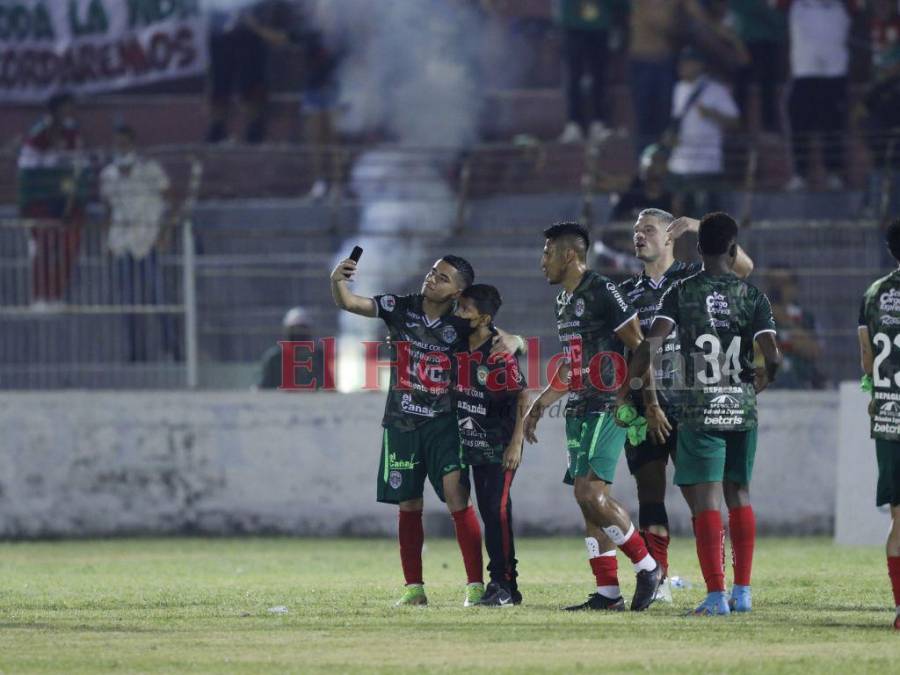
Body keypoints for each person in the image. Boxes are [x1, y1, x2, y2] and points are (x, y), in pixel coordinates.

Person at [330, 254, 523, 607]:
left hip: (445, 424)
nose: (433, 279)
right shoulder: (399, 306)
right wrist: (337, 280)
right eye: (434, 272)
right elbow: (350, 302)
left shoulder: (461, 320)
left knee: (457, 499)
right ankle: (414, 588)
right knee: (408, 503)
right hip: (402, 423)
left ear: (458, 292)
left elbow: (499, 334)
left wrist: (518, 340)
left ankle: (475, 586)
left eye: (444, 277)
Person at [625, 211, 781, 616]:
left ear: (694, 248)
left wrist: (634, 375)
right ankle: (742, 592)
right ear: (731, 248)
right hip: (740, 408)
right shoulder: (753, 296)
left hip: (696, 408)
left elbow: (649, 345)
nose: (639, 236)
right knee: (739, 495)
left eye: (648, 230)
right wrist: (757, 383)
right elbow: (774, 357)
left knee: (707, 501)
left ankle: (716, 595)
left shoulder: (683, 290)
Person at [523, 222, 664, 612]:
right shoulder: (562, 302)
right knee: (585, 501)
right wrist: (540, 403)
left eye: (547, 253)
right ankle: (607, 593)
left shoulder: (603, 291)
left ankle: (648, 566)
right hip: (580, 405)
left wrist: (645, 403)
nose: (542, 263)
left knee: (591, 493)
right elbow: (572, 366)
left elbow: (641, 348)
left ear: (570, 255)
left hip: (610, 400)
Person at [452, 284, 529, 606]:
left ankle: (503, 583)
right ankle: (505, 585)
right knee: (487, 511)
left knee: (495, 511)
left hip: (498, 444)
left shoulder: (497, 354)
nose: (458, 314)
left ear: (483, 318)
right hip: (468, 441)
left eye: (465, 309)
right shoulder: (456, 343)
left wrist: (516, 444)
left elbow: (523, 394)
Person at [99, 125, 174, 362]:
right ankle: (134, 353)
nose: (121, 147)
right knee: (127, 302)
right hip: (122, 244)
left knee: (159, 299)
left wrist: (165, 232)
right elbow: (109, 210)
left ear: (132, 143)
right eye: (117, 143)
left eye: (124, 142)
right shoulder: (108, 175)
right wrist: (107, 241)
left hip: (148, 240)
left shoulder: (150, 170)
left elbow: (168, 201)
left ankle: (173, 350)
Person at [858, 217, 900, 632]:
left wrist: (877, 397)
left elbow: (866, 359)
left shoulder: (874, 293)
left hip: (889, 419)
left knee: (899, 518)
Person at [17, 92, 87, 311]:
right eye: (66, 108)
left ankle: (57, 295)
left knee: (68, 247)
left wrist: (68, 197)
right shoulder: (37, 135)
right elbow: (27, 169)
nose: (70, 113)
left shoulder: (73, 134)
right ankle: (40, 296)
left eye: (71, 109)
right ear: (54, 110)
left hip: (64, 198)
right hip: (41, 200)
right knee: (44, 249)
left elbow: (77, 168)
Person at [779, 0, 859, 192]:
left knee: (833, 124)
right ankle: (800, 174)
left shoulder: (843, 6)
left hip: (835, 73)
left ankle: (834, 173)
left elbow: (858, 9)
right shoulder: (796, 5)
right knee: (799, 124)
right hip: (803, 73)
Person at [206, 0, 294, 144]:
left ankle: (255, 127)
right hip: (221, 32)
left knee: (252, 85)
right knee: (219, 84)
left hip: (251, 32)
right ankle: (217, 128)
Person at [667, 48, 740, 217]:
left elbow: (735, 121)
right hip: (680, 162)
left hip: (706, 163)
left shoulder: (716, 90)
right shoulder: (678, 88)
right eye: (681, 64)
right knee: (679, 213)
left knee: (705, 213)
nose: (682, 67)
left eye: (687, 63)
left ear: (699, 65)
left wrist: (711, 113)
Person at [555, 0, 628, 143]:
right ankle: (574, 122)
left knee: (599, 76)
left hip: (600, 25)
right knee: (573, 76)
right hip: (573, 24)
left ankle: (599, 122)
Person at [730, 0, 787, 133]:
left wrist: (765, 12)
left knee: (770, 87)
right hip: (745, 42)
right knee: (741, 87)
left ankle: (770, 126)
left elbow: (781, 21)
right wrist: (765, 11)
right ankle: (740, 127)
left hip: (772, 43)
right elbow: (739, 6)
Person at [766, 267, 824, 389]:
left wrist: (787, 321)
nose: (778, 288)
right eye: (773, 282)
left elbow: (814, 352)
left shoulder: (805, 318)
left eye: (784, 283)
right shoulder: (754, 316)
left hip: (802, 385)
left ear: (794, 287)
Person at [258, 306, 326, 389]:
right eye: (294, 330)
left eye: (302, 329)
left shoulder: (320, 357)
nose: (298, 334)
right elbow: (265, 387)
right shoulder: (274, 358)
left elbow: (326, 386)